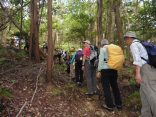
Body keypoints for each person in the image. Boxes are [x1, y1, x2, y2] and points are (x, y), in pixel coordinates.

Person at [124, 31, 156, 117]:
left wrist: (137, 74)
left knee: (151, 93)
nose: (125, 41)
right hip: (150, 69)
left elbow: (138, 60)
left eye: (126, 38)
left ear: (130, 38)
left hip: (145, 70)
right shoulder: (140, 44)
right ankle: (146, 114)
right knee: (143, 93)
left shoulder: (133, 45)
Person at [98, 39, 122, 111]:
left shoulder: (103, 49)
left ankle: (110, 105)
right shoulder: (113, 49)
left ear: (102, 44)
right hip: (114, 69)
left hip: (105, 70)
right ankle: (119, 104)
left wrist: (99, 70)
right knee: (115, 87)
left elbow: (101, 61)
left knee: (106, 88)